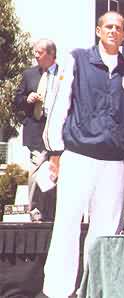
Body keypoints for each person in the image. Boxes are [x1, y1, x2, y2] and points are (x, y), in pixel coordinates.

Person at [42, 11, 124, 298]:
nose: (113, 31)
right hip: (78, 155)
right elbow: (59, 105)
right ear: (98, 30)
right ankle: (58, 290)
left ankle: (95, 288)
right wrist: (55, 150)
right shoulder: (77, 59)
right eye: (108, 26)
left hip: (113, 162)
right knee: (67, 224)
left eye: (119, 28)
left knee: (106, 230)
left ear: (123, 35)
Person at [14, 38, 60, 220]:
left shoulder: (64, 75)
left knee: (54, 173)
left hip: (57, 132)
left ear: (50, 55)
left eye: (39, 52)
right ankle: (34, 211)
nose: (35, 55)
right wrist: (27, 99)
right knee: (36, 169)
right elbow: (17, 101)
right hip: (36, 132)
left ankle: (52, 211)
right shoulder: (29, 75)